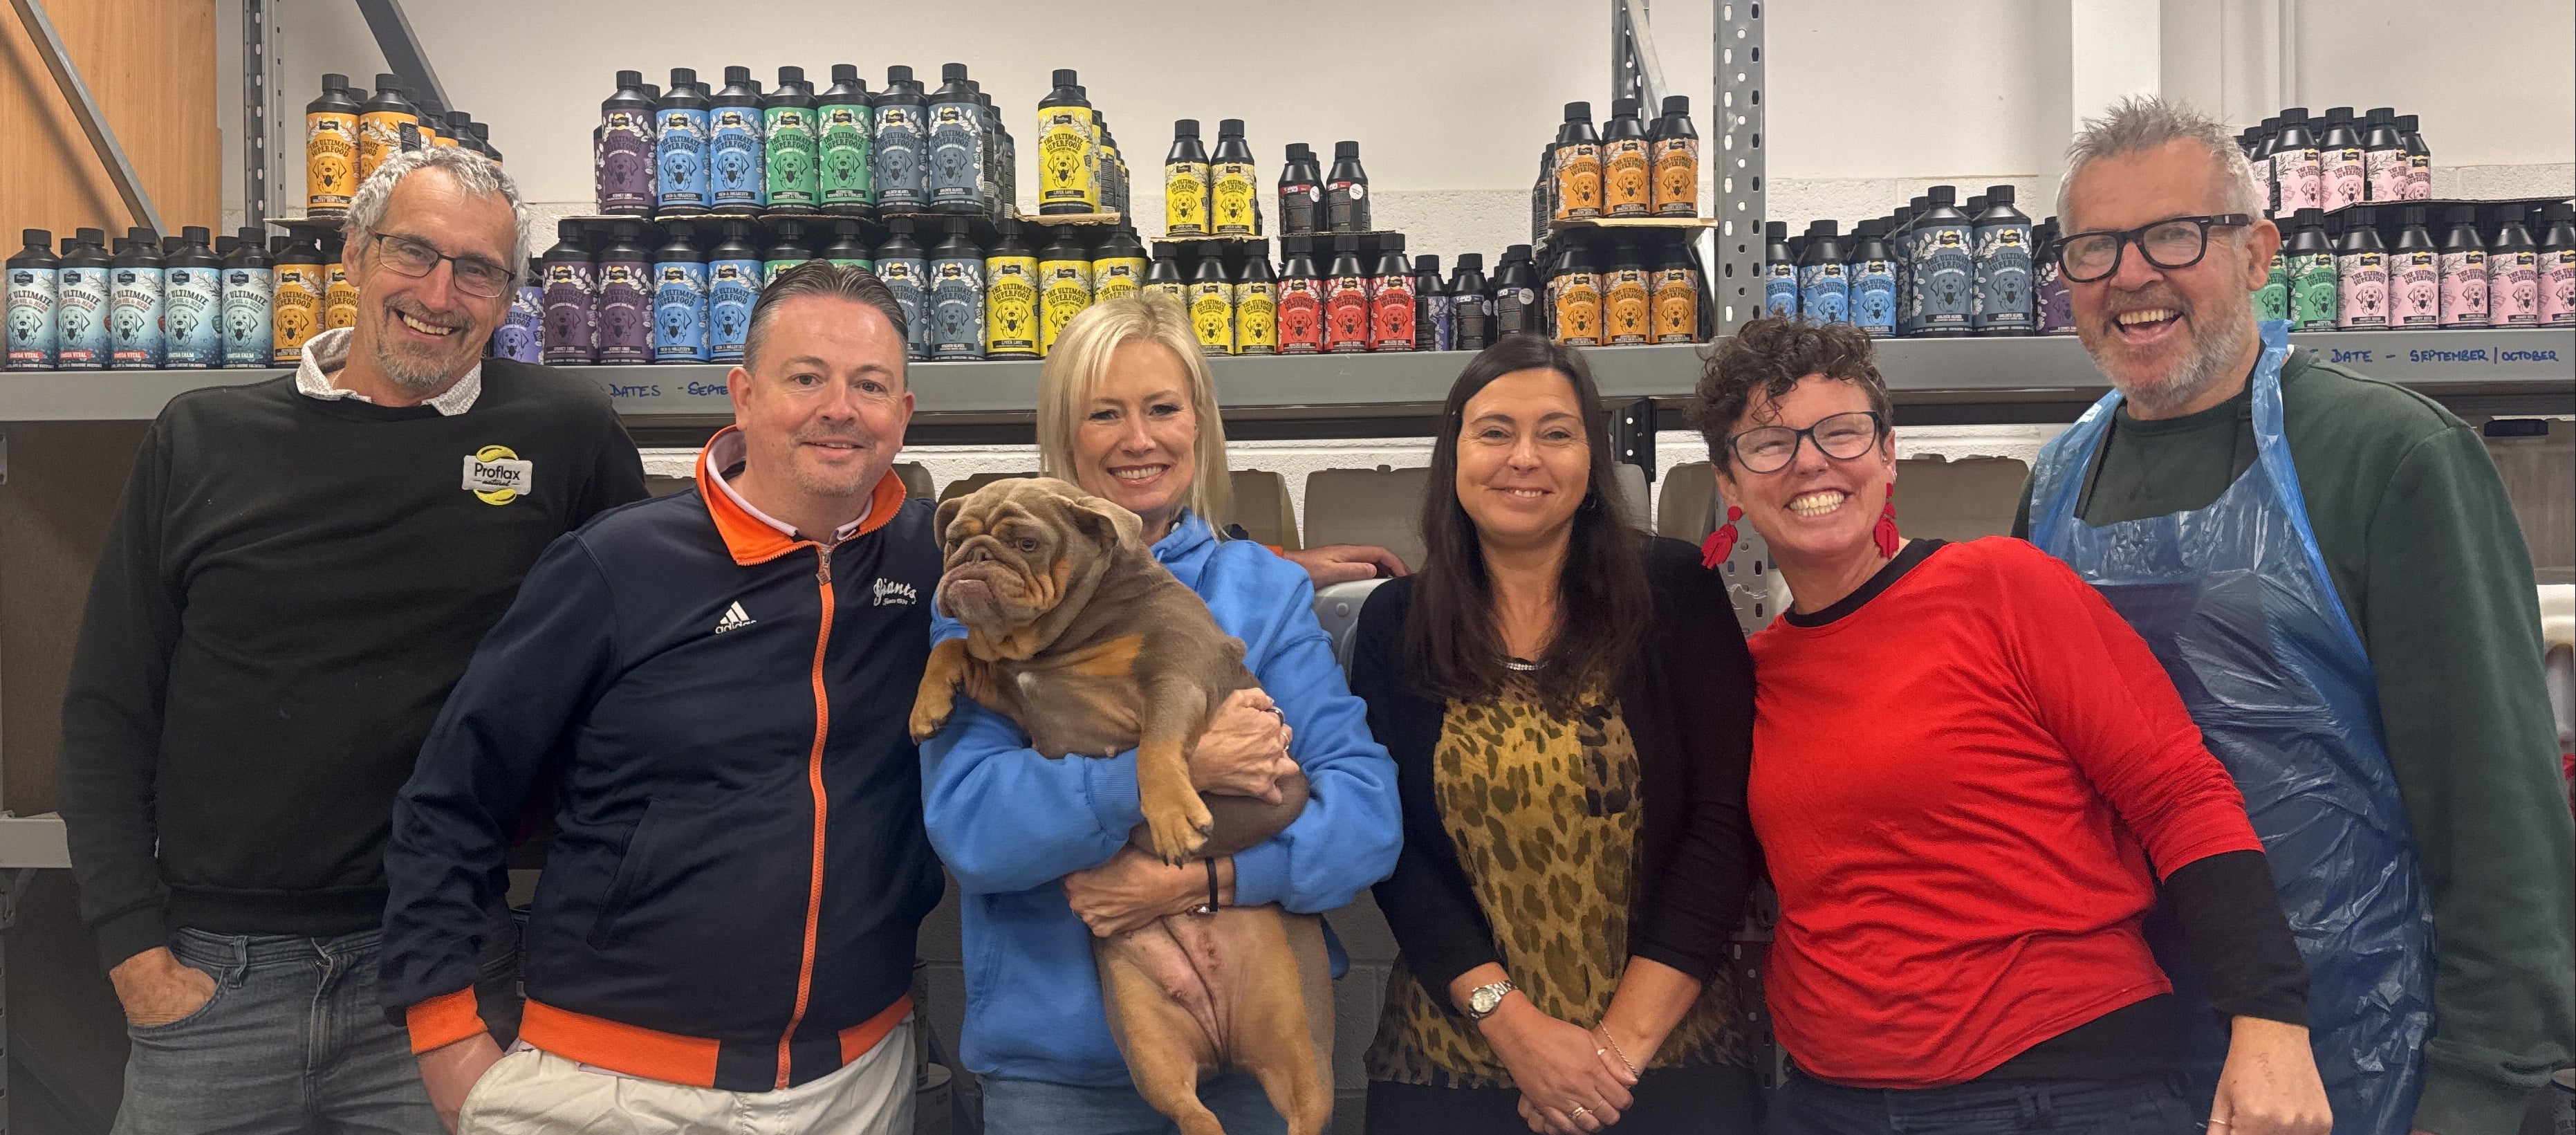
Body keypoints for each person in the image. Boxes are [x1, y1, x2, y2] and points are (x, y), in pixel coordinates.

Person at [2014, 95, 2575, 1135]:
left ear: (2258, 252)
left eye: (2174, 235)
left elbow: (2494, 803)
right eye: (2094, 248)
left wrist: (2482, 1088)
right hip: (2108, 1066)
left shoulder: (2387, 455)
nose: (2131, 276)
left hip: (2359, 1057)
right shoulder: (2054, 484)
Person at [56, 145, 645, 1134]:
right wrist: (134, 954)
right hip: (215, 984)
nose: (439, 295)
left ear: (509, 296)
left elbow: (637, 665)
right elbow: (108, 709)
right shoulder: (201, 439)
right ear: (355, 254)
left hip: (445, 970)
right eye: (413, 253)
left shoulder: (564, 434)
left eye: (478, 270)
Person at [1694, 317, 2332, 1135]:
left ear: (1887, 455)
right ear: (1729, 484)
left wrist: (2268, 1019)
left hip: (2057, 1091)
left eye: (1840, 432)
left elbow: (2178, 795)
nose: (1810, 461)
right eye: (1768, 444)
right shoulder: (1754, 672)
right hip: (1827, 1100)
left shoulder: (2001, 588)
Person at [379, 262, 940, 1133]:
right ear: (743, 395)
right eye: (805, 378)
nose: (840, 408)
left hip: (857, 1082)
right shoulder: (617, 565)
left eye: (869, 385)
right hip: (611, 1085)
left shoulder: (932, 563)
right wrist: (445, 1032)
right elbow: (452, 796)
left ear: (901, 415)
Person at [918, 293, 1402, 1134]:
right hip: (1056, 1081)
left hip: (1256, 1048)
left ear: (1199, 424)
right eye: (1104, 413)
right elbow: (974, 832)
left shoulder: (1263, 590)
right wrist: (1168, 773)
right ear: (1064, 432)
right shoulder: (991, 601)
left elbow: (1365, 816)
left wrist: (1201, 881)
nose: (1137, 439)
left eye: (1162, 409)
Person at [1353, 335, 1761, 1135]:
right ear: (1454, 453)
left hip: (1669, 1064)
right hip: (1449, 1067)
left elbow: (1723, 823)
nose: (1523, 458)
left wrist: (1608, 1057)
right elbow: (1391, 846)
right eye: (1494, 431)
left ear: (1590, 459)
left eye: (1555, 432)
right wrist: (1516, 1032)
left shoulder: (1673, 591)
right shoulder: (1395, 624)